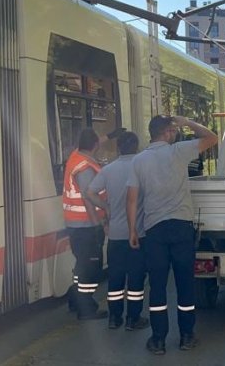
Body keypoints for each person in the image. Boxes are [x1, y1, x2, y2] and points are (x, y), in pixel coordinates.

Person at [126, 115, 218, 355]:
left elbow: (132, 199)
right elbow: (212, 138)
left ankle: (158, 340)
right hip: (181, 228)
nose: (175, 133)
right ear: (166, 132)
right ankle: (187, 336)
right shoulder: (179, 151)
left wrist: (132, 230)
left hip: (154, 230)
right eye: (173, 130)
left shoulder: (138, 161)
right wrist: (187, 122)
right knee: (184, 283)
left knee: (157, 286)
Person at [85, 132, 150, 331]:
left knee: (115, 278)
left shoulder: (108, 170)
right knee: (136, 279)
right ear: (137, 146)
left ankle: (114, 318)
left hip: (115, 234)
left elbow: (89, 192)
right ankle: (133, 318)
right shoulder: (143, 168)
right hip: (138, 234)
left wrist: (106, 207)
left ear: (119, 148)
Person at [63, 128, 108, 320]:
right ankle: (86, 308)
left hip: (74, 225)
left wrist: (110, 135)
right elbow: (89, 198)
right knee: (91, 268)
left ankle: (75, 299)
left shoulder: (75, 156)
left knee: (81, 265)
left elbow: (95, 141)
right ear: (95, 145)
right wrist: (98, 224)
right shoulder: (85, 167)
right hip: (87, 226)